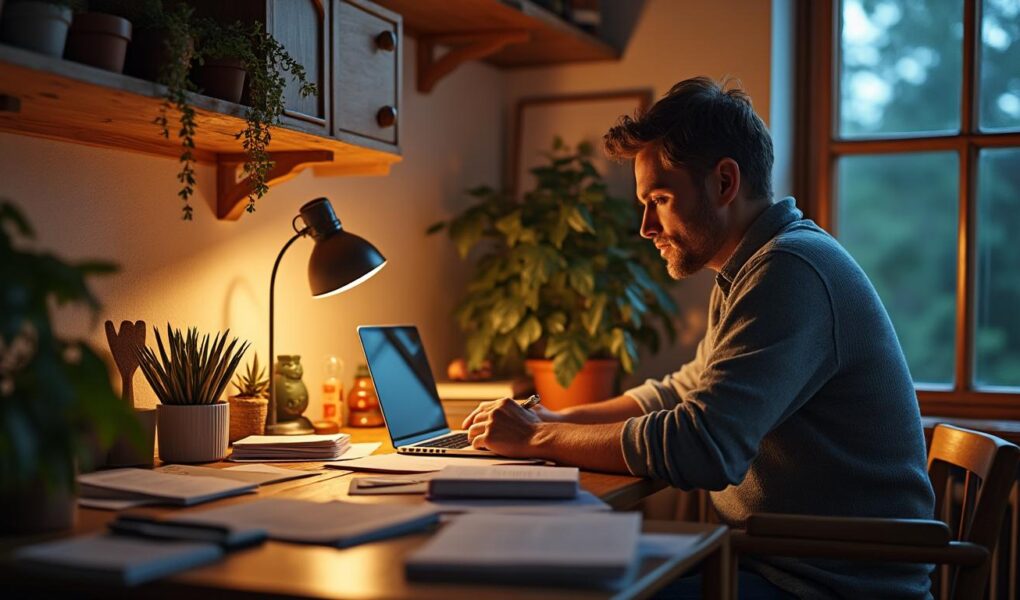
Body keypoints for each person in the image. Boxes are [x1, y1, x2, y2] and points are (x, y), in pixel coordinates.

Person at [461, 77, 936, 599]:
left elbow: (705, 445)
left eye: (660, 198)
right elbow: (682, 391)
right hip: (782, 562)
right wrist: (554, 419)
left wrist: (533, 439)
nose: (645, 226)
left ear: (725, 183)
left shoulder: (789, 271)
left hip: (827, 585)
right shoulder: (752, 266)